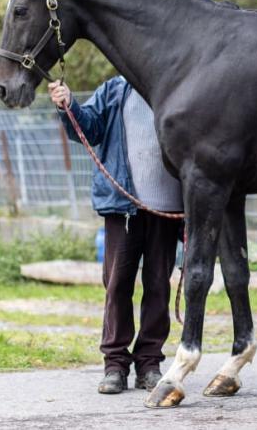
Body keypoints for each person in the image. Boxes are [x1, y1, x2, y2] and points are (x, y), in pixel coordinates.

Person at [50, 77, 183, 394]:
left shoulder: (174, 85)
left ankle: (149, 364)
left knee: (158, 287)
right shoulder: (114, 90)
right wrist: (68, 105)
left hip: (165, 210)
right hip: (122, 207)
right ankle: (115, 366)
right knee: (117, 285)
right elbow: (89, 130)